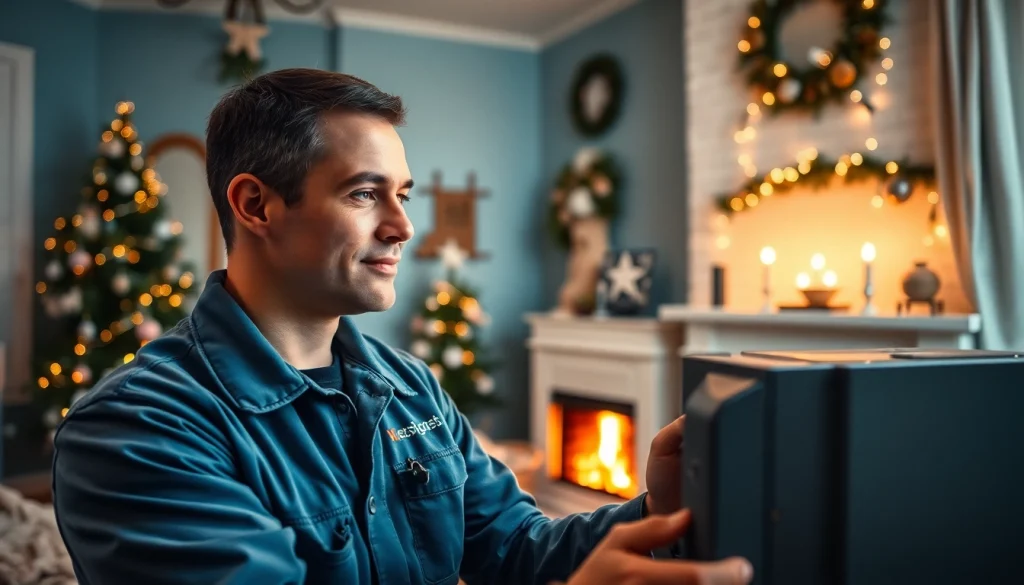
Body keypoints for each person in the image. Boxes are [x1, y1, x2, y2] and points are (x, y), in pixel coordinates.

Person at [51, 68, 753, 585]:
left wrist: (657, 506)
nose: (404, 226)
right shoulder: (135, 433)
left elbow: (515, 549)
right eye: (365, 193)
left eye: (404, 195)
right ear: (256, 205)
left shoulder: (408, 386)